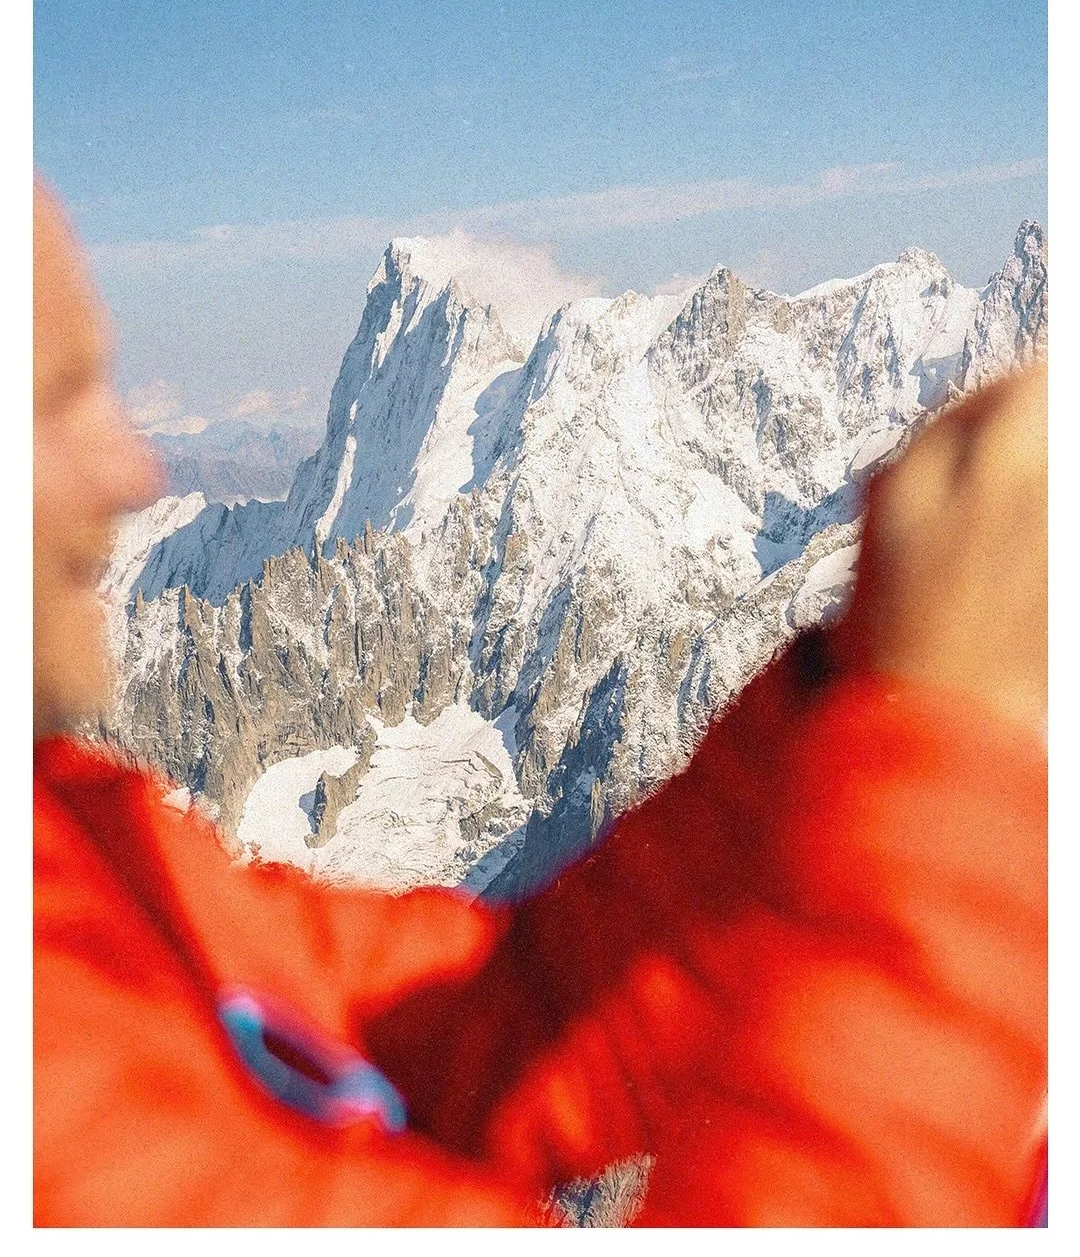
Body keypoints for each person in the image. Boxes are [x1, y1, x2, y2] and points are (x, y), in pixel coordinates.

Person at [33, 179, 1048, 1226]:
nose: (133, 467)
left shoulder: (78, 860)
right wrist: (952, 787)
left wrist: (846, 693)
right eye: (53, 400)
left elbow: (471, 1036)